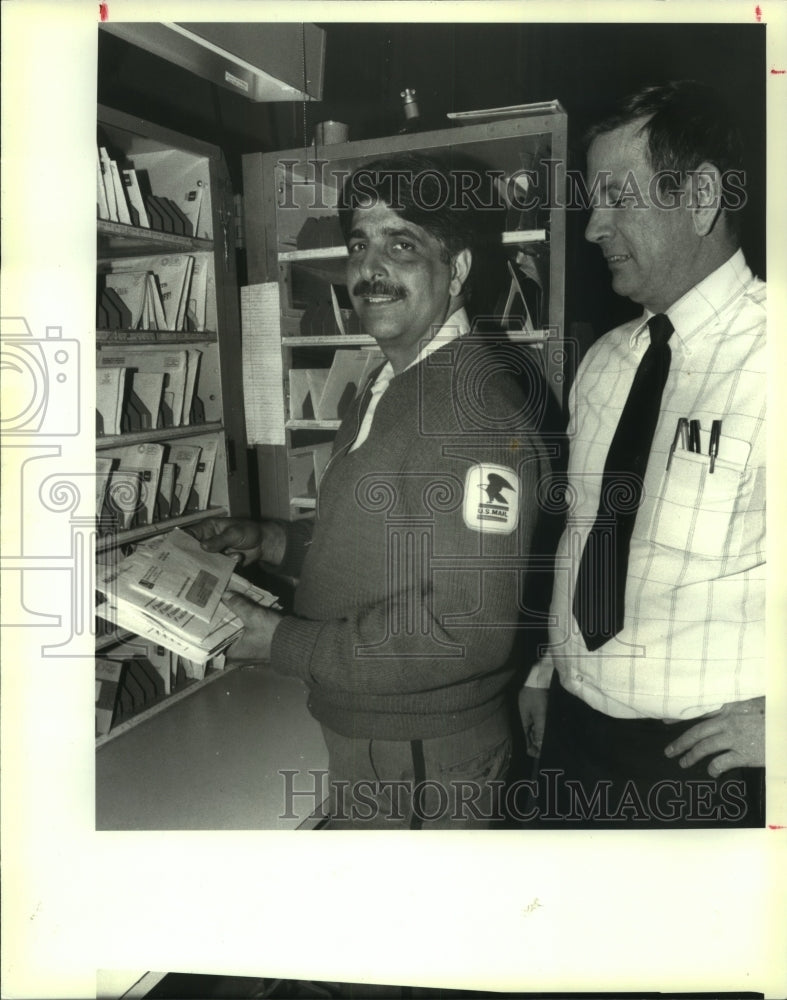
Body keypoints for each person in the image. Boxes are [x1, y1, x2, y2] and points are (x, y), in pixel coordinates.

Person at [197, 153, 551, 828]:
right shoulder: (387, 386)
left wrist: (280, 642)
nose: (369, 269)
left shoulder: (471, 411)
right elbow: (386, 548)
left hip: (420, 755)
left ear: (460, 271)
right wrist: (275, 540)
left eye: (402, 245)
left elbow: (467, 627)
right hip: (384, 738)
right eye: (359, 245)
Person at [519, 80, 766, 827]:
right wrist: (541, 672)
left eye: (616, 198)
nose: (593, 227)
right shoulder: (603, 362)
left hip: (699, 769)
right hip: (574, 735)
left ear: (699, 196)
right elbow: (581, 534)